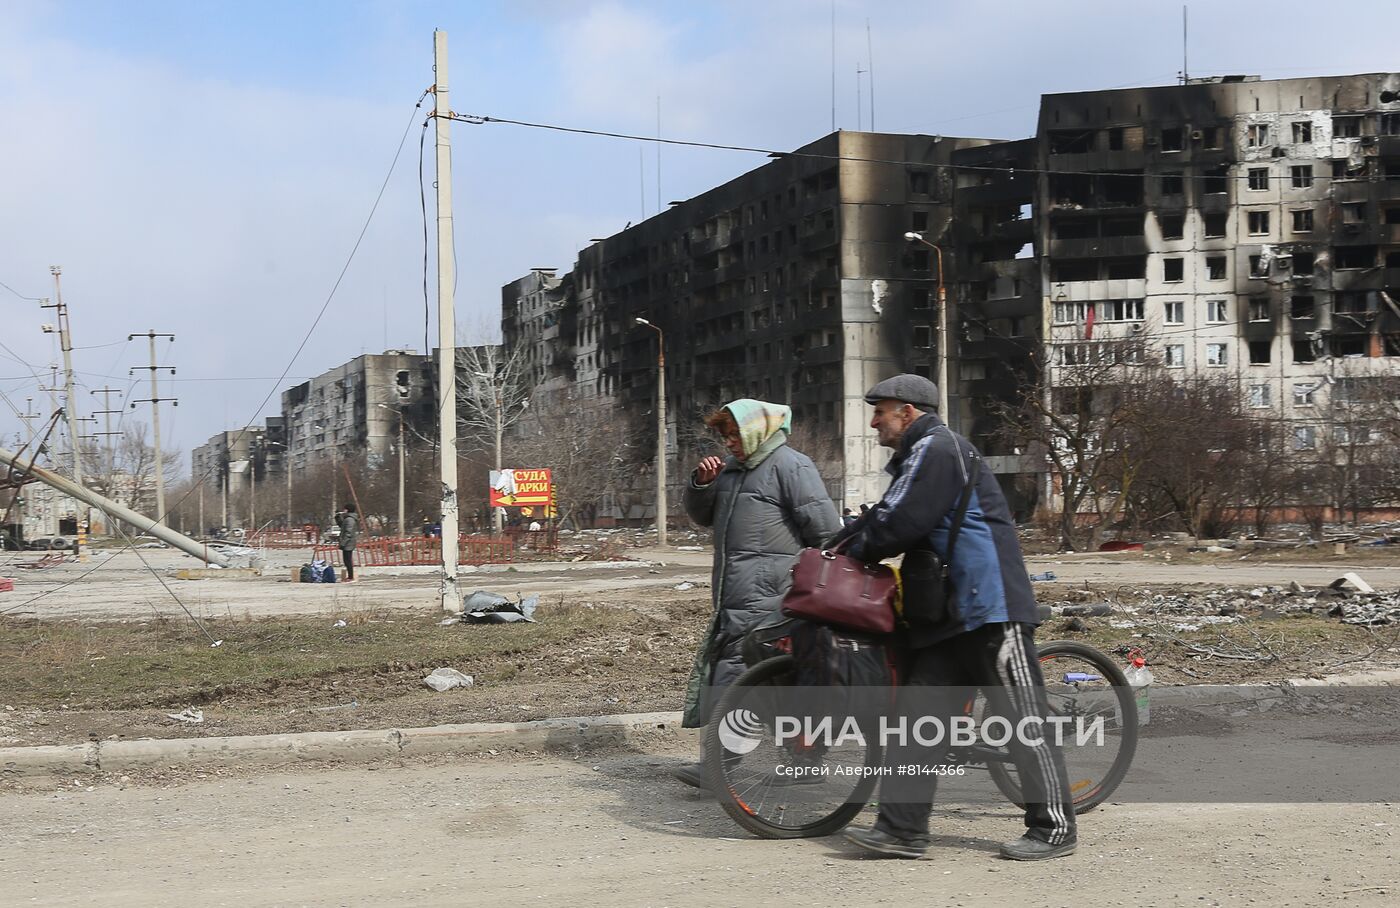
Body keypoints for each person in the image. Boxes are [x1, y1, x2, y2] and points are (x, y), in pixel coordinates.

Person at [832, 374, 1077, 862]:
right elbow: (886, 514)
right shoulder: (918, 456)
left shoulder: (937, 448)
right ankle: (902, 831)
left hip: (992, 609)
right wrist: (839, 543)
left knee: (1023, 723)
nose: (875, 421)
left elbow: (900, 522)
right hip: (947, 618)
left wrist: (853, 549)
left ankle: (1054, 828)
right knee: (915, 725)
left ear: (907, 410)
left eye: (880, 410)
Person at [675, 398, 841, 789]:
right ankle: (800, 759)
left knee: (737, 676)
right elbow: (703, 517)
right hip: (734, 597)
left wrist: (809, 589)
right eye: (726, 436)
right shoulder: (732, 471)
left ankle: (721, 766)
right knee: (760, 680)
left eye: (735, 435)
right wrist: (701, 484)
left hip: (773, 598)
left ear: (757, 430)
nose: (729, 443)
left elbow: (826, 533)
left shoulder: (791, 466)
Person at [334, 503, 360, 583]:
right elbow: (342, 526)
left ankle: (350, 577)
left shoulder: (350, 519)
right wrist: (337, 517)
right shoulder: (348, 518)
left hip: (348, 542)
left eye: (345, 509)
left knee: (348, 560)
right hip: (347, 542)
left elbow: (348, 532)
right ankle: (349, 576)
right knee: (346, 560)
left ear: (348, 510)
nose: (344, 510)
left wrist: (343, 543)